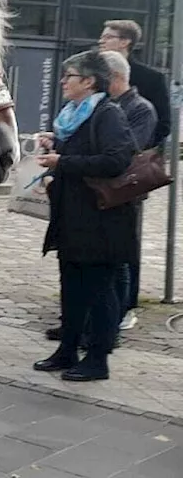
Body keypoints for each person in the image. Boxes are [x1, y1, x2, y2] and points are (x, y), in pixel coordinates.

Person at [33, 50, 135, 382]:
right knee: (72, 288)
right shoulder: (75, 115)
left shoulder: (108, 114)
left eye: (70, 76)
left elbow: (116, 160)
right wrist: (56, 145)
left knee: (99, 291)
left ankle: (97, 359)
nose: (63, 81)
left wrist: (63, 162)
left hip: (101, 223)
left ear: (89, 82)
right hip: (72, 220)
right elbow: (79, 153)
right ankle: (67, 349)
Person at [102, 50, 157, 334]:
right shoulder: (103, 104)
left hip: (125, 191)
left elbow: (130, 148)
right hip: (100, 190)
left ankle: (122, 312)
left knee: (120, 257)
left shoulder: (140, 108)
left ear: (115, 77)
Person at [98, 20, 171, 149]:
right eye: (101, 37)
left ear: (125, 42)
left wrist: (140, 147)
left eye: (108, 37)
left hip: (134, 157)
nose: (101, 41)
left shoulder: (152, 78)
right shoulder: (93, 73)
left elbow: (164, 123)